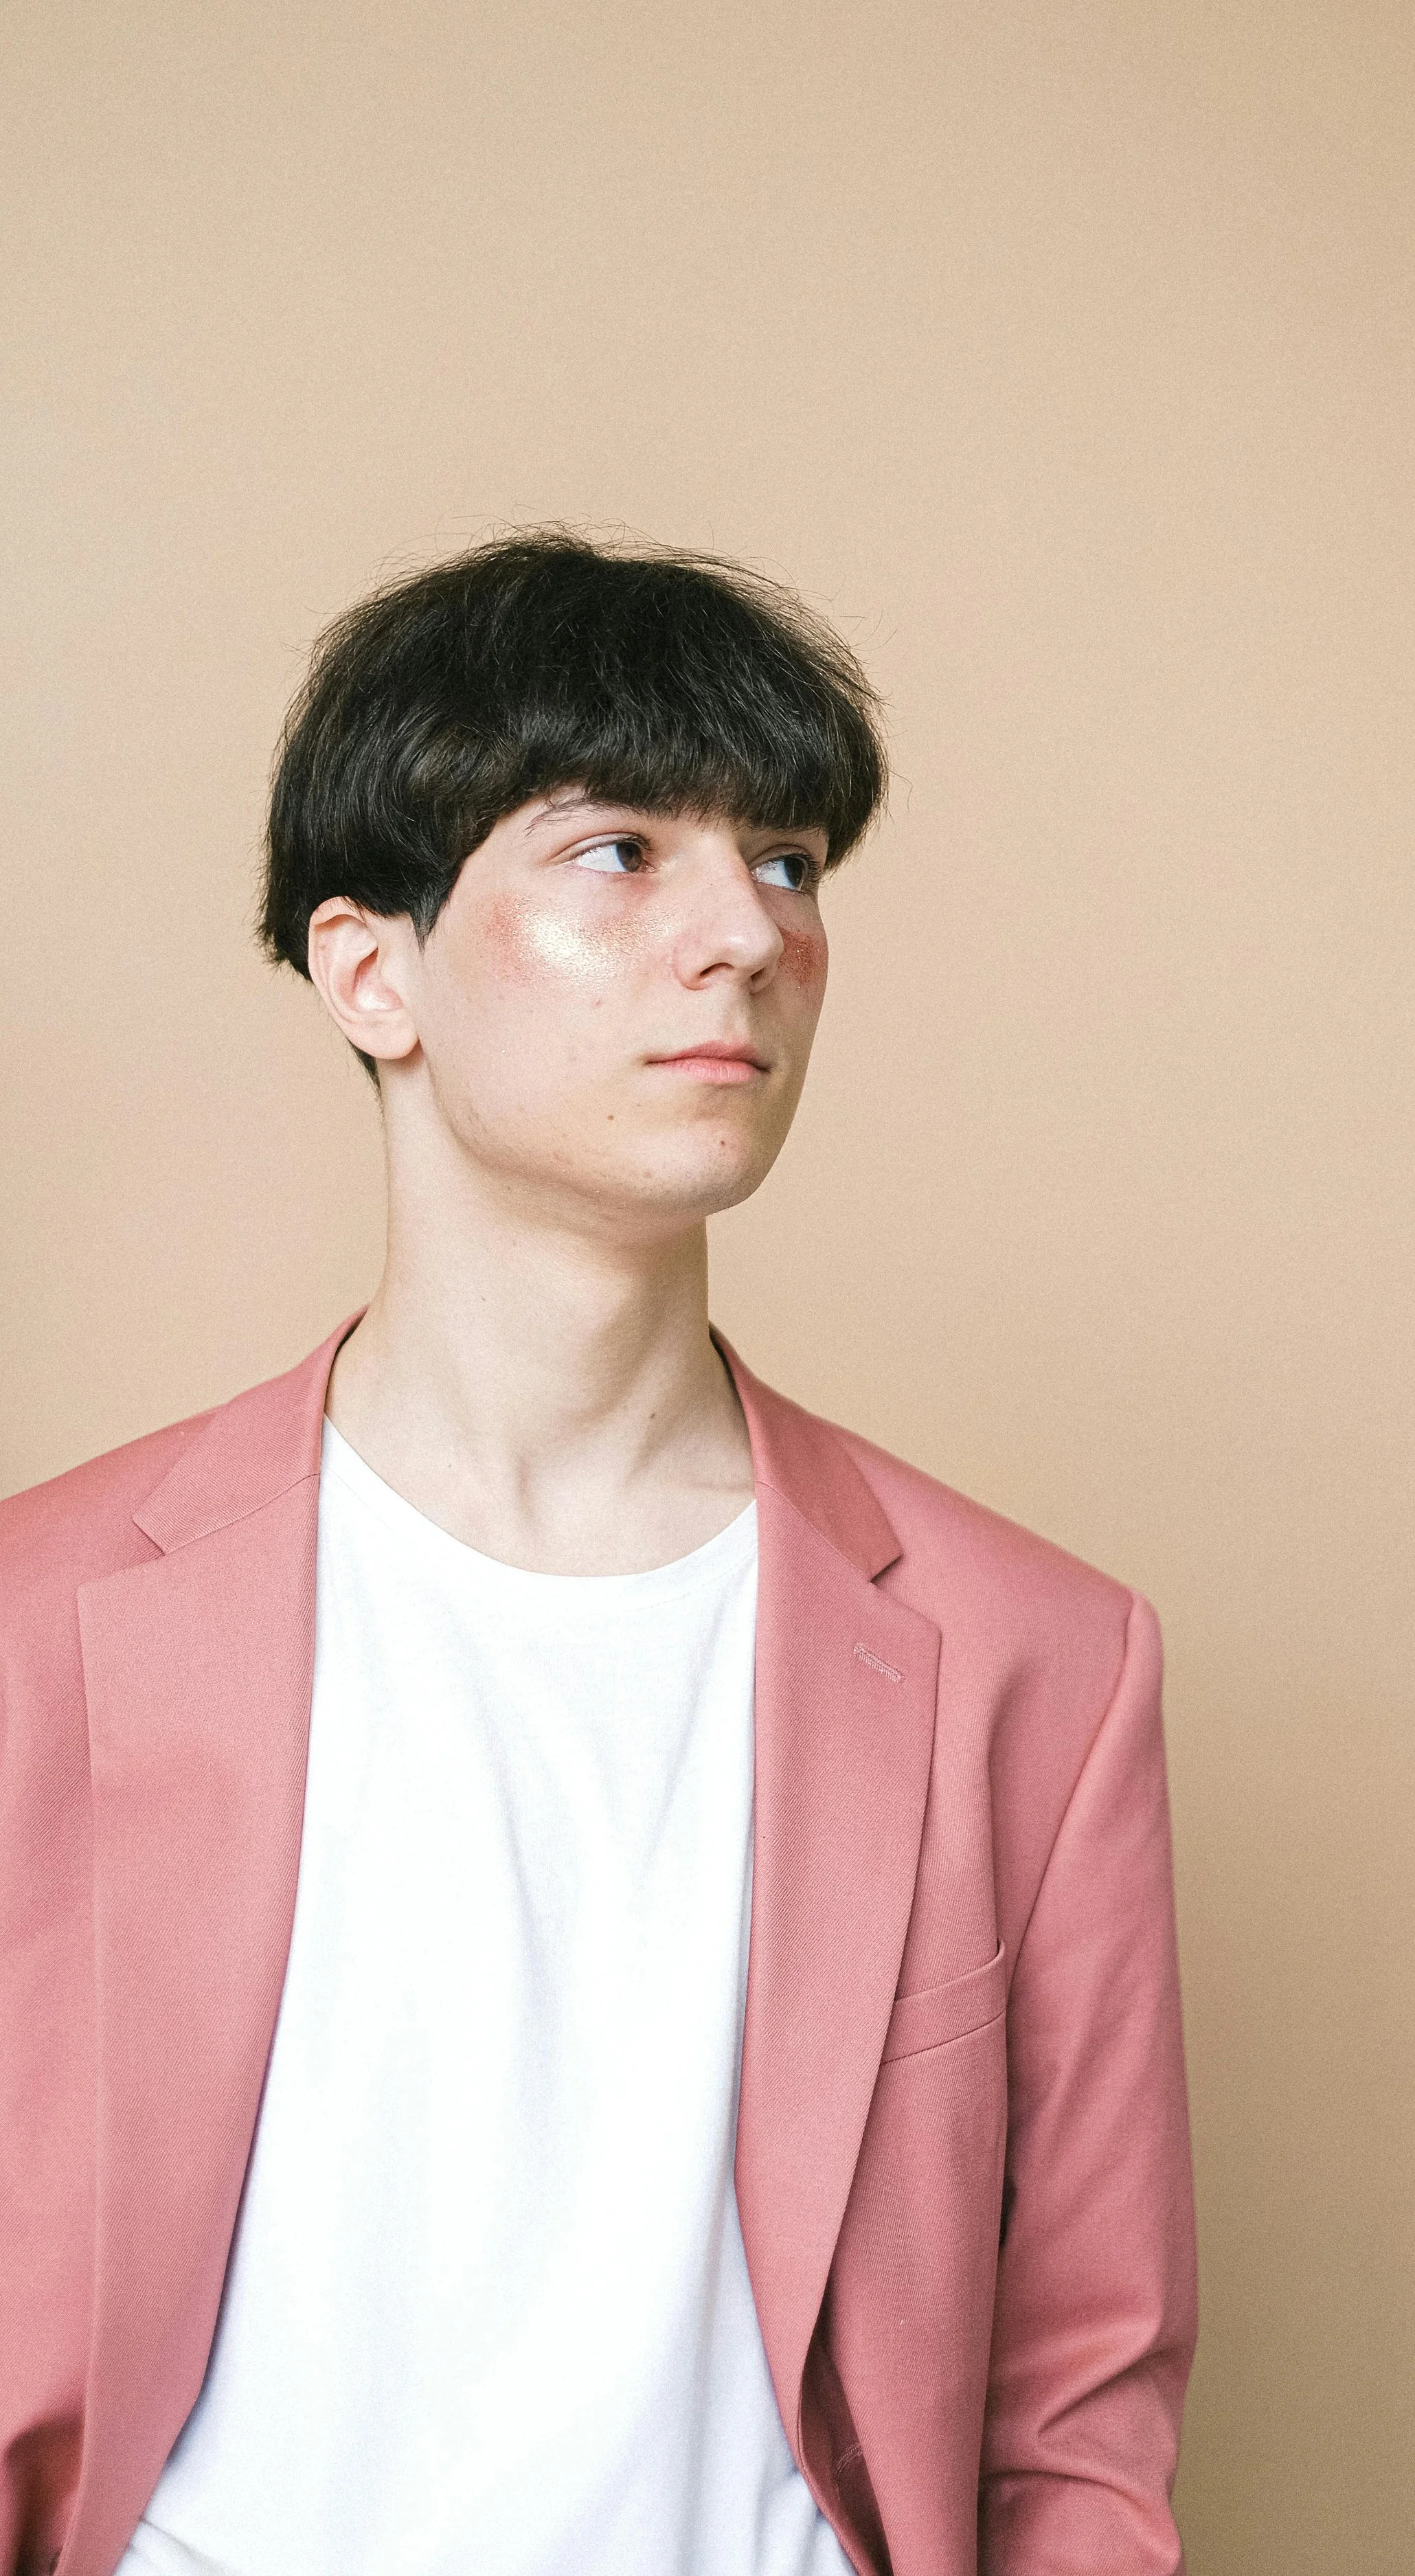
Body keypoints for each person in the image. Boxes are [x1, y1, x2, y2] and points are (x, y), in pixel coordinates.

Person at [0, 533, 1197, 2576]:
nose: (740, 929)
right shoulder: (39, 1628)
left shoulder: (1036, 1663)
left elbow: (1076, 2416)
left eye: (792, 859)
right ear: (368, 967)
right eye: (619, 851)